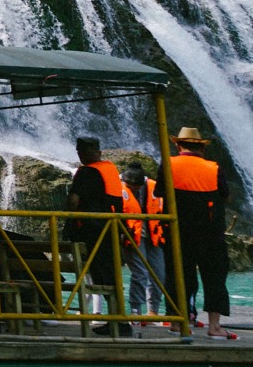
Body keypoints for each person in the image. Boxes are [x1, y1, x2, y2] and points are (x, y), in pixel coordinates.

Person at [166, 126, 235, 339]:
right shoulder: (213, 168)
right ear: (201, 147)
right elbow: (225, 196)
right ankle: (214, 327)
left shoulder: (168, 164)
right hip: (210, 232)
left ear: (178, 145)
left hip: (178, 230)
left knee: (178, 275)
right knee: (214, 277)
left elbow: (160, 191)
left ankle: (179, 323)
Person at [66, 137, 129, 334]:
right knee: (111, 276)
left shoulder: (86, 172)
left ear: (83, 153)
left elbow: (74, 200)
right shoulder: (110, 168)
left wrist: (68, 220)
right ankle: (118, 319)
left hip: (93, 232)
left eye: (80, 152)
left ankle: (115, 321)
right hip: (111, 229)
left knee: (102, 277)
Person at [121, 161, 167, 321]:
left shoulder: (154, 187)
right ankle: (135, 311)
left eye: (136, 187)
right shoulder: (120, 188)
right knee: (140, 273)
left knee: (159, 274)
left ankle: (153, 311)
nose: (134, 189)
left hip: (154, 236)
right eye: (131, 186)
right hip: (132, 236)